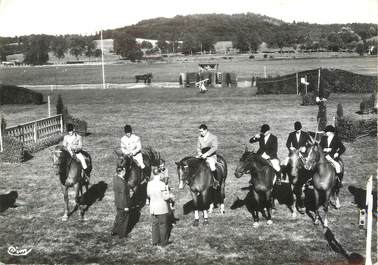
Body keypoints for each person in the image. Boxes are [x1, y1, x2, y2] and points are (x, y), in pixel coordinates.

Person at [147, 168, 172, 247]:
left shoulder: (149, 184)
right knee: (163, 225)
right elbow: (166, 197)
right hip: (161, 207)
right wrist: (170, 195)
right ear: (159, 174)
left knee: (155, 224)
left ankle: (155, 241)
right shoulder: (162, 184)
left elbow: (148, 194)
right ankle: (163, 242)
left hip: (153, 207)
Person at [196, 124, 219, 189]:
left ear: (206, 130)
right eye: (200, 131)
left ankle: (216, 181)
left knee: (212, 166)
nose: (200, 133)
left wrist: (206, 154)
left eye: (202, 131)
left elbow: (214, 148)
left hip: (211, 156)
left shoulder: (213, 137)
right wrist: (200, 153)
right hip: (202, 155)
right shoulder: (199, 137)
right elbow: (198, 148)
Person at [111, 167, 131, 238]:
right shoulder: (122, 182)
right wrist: (126, 206)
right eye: (124, 171)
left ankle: (114, 230)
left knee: (118, 217)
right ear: (122, 172)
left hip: (118, 202)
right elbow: (123, 195)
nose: (125, 172)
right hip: (123, 203)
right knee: (124, 218)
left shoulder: (115, 178)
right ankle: (122, 234)